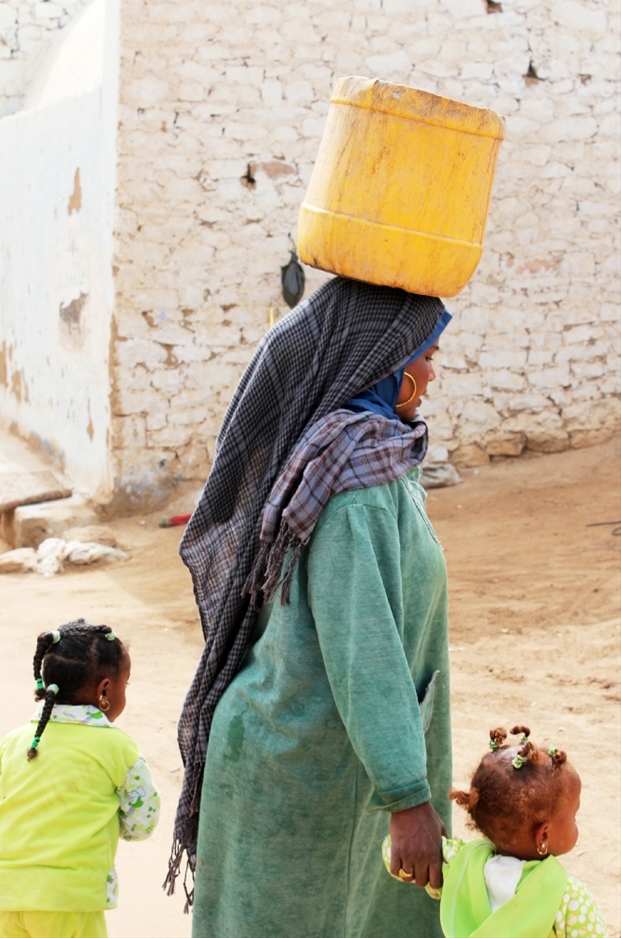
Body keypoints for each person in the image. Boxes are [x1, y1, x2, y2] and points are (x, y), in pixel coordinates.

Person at [168, 275, 453, 937]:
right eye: (429, 358)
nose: (435, 378)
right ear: (389, 368)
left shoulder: (376, 461)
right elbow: (366, 650)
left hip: (332, 762)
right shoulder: (354, 492)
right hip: (300, 773)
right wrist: (407, 796)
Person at [0, 619, 160, 938]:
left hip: (3, 894)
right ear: (105, 689)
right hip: (68, 899)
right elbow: (143, 822)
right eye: (125, 684)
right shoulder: (116, 746)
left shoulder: (14, 742)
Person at [383, 725, 608, 938]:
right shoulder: (567, 896)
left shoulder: (461, 864)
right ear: (544, 836)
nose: (576, 823)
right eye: (573, 817)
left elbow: (395, 851)